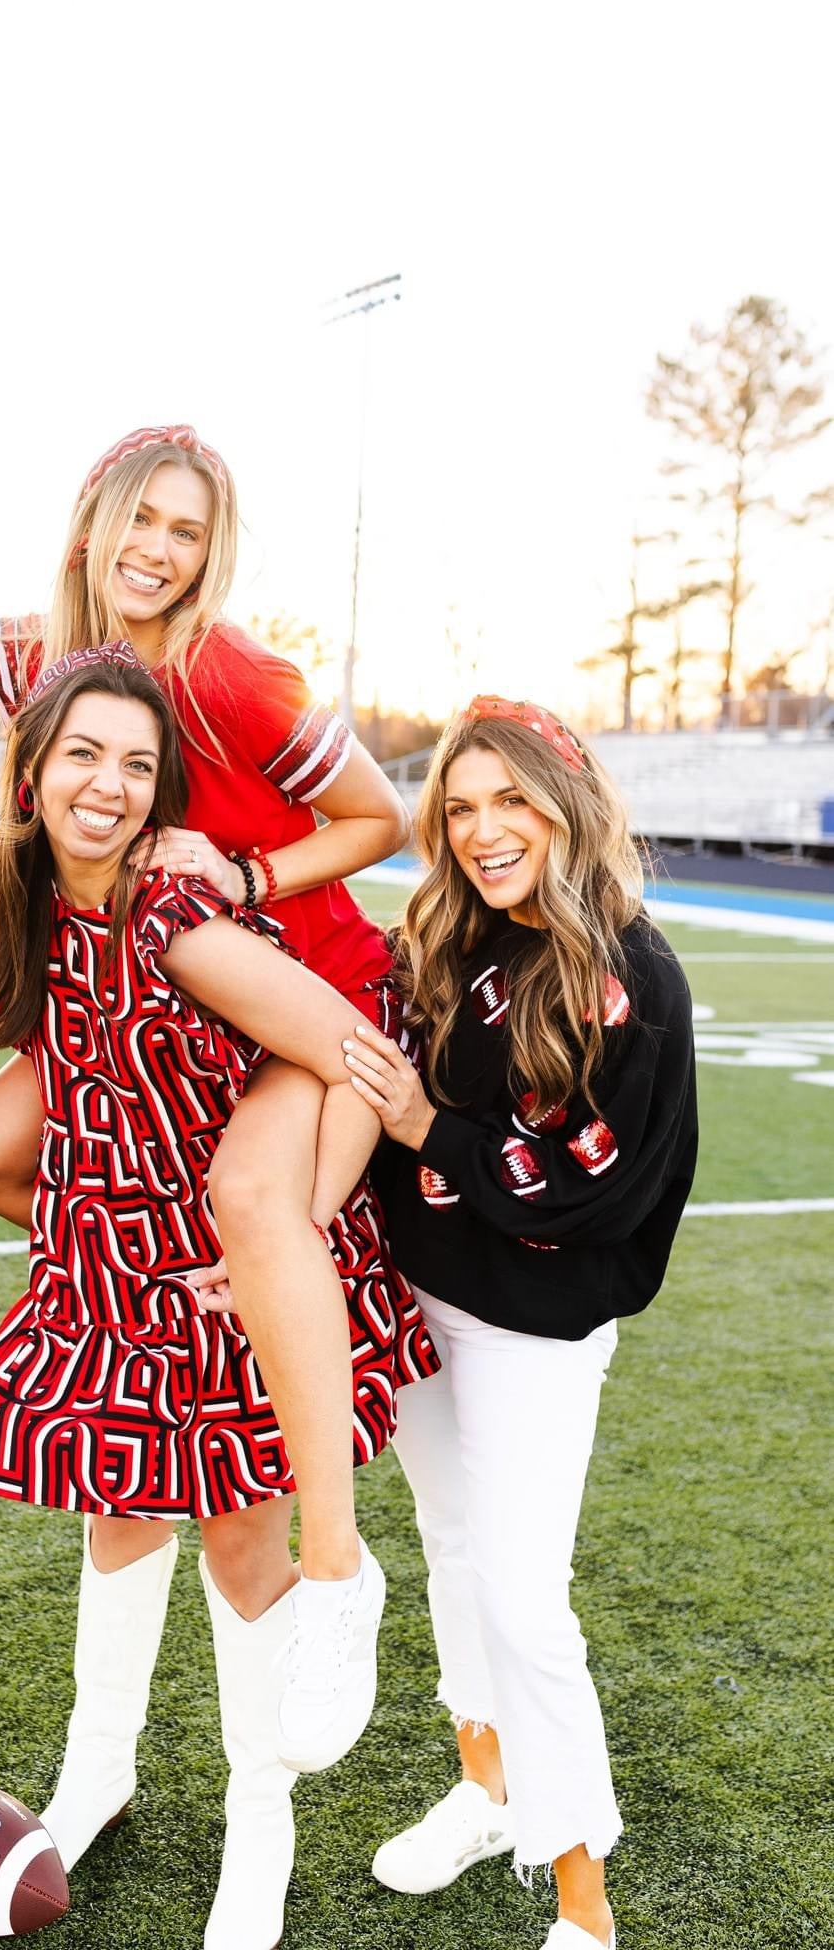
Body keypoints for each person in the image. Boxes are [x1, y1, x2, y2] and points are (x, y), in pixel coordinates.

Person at [0, 347, 410, 1767]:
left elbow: (378, 821)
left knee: (259, 1211)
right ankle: (148, 1258)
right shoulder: (44, 655)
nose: (160, 547)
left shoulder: (237, 675)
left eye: (189, 531)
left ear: (212, 556)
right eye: (144, 516)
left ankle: (332, 1560)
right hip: (147, 1002)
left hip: (281, 989)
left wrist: (243, 875)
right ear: (93, 521)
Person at [0, 640, 436, 1950]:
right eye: (82, 754)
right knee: (114, 1524)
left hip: (224, 1277)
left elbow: (354, 1049)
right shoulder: (37, 907)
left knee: (236, 1548)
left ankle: (256, 1829)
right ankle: (96, 1772)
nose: (106, 784)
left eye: (138, 764)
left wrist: (303, 1221)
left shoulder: (181, 926)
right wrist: (79, 1234)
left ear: (161, 797)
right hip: (114, 1268)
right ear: (34, 769)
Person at [341, 695, 697, 1950]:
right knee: (453, 1551)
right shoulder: (449, 935)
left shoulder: (634, 976)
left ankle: (583, 1905)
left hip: (533, 1326)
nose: (485, 830)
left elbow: (603, 1182)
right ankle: (485, 1786)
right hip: (422, 1296)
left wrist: (428, 1130)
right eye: (461, 805)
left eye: (512, 801)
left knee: (526, 1599)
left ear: (568, 803)